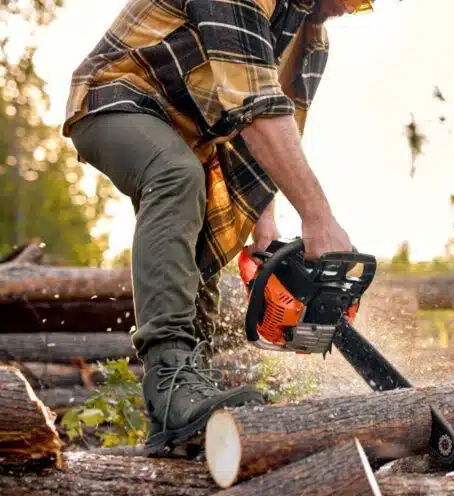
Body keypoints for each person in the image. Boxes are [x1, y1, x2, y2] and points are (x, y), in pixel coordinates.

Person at [61, 0, 374, 454]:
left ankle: (188, 409)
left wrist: (264, 226)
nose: (350, 9)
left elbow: (273, 134)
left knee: (200, 236)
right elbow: (258, 109)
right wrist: (318, 218)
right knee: (176, 175)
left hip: (194, 139)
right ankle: (169, 379)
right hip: (116, 94)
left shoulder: (310, 39)